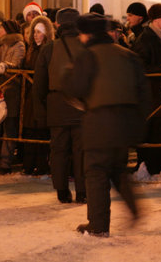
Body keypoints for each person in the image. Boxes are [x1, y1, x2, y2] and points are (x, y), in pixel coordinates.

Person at [63, 13, 150, 237]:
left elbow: (77, 88)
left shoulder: (88, 55)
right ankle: (135, 208)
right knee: (118, 168)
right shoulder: (128, 55)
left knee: (96, 172)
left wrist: (68, 77)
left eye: (81, 34)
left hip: (100, 120)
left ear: (88, 34)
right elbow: (143, 93)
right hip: (126, 121)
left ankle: (98, 225)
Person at [33, 7, 86, 204]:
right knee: (81, 151)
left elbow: (39, 84)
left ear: (57, 24)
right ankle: (83, 191)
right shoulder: (87, 46)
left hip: (56, 105)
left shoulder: (49, 49)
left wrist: (40, 112)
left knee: (59, 151)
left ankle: (62, 191)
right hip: (82, 105)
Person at [131, 3, 161, 175]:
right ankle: (149, 166)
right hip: (151, 94)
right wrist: (160, 69)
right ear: (154, 19)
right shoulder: (145, 38)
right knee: (152, 129)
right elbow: (138, 65)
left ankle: (159, 165)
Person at [0, 20, 25, 174]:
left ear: (7, 30)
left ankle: (5, 162)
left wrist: (6, 65)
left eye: (1, 27)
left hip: (11, 90)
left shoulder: (18, 44)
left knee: (9, 126)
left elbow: (17, 62)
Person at [21, 15, 54, 175]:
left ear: (46, 33)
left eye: (39, 32)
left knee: (41, 131)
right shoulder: (31, 50)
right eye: (34, 31)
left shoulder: (48, 50)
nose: (36, 35)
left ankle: (41, 164)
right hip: (29, 97)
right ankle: (28, 164)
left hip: (42, 97)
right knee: (29, 130)